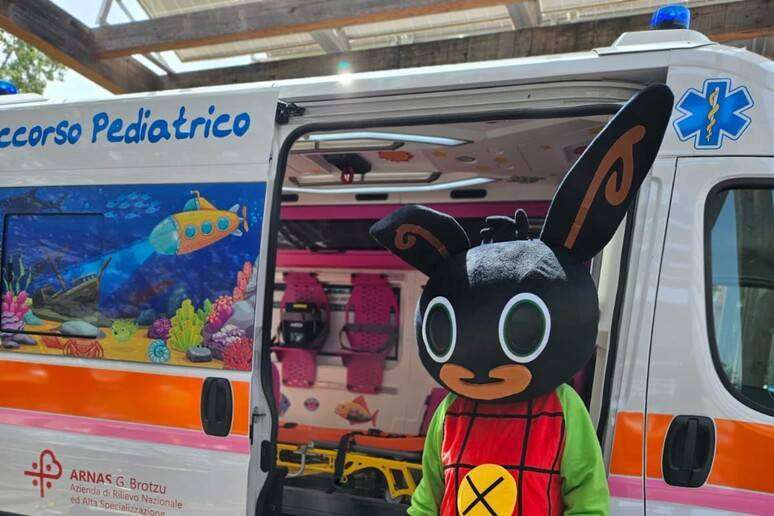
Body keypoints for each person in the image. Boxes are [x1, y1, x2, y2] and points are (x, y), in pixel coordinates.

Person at [369, 84, 673, 515]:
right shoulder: (451, 408)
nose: (481, 363)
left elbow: (587, 498)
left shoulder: (562, 409)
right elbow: (430, 494)